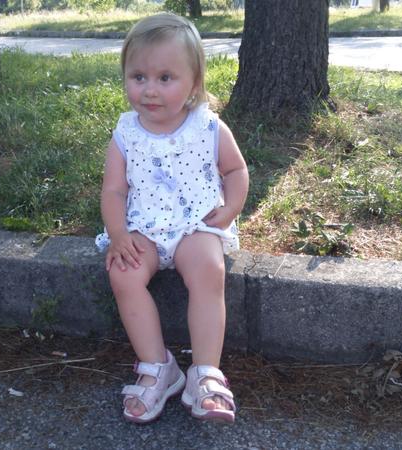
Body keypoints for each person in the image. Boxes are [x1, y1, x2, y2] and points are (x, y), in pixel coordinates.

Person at [95, 12, 249, 424]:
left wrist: (230, 209)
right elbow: (113, 190)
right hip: (143, 228)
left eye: (165, 78)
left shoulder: (208, 126)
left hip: (195, 225)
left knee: (208, 268)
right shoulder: (126, 133)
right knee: (123, 273)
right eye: (138, 77)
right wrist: (118, 233)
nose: (149, 89)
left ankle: (206, 373)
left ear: (194, 83)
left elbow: (236, 170)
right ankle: (158, 367)